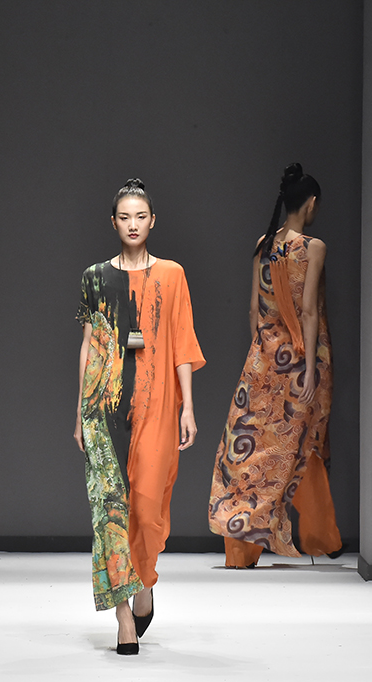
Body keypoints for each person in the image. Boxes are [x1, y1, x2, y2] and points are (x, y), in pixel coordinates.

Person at [74, 178, 205, 655]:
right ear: (113, 222)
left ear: (153, 221)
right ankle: (124, 616)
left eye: (141, 216)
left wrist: (188, 406)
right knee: (110, 513)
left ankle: (145, 581)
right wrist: (79, 412)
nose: (133, 224)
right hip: (102, 406)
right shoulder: (94, 277)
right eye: (125, 217)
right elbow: (89, 345)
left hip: (156, 404)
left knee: (148, 510)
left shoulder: (172, 274)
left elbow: (183, 342)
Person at [208, 163, 342, 568]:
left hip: (263, 358)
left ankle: (241, 547)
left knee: (251, 447)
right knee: (302, 443)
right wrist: (310, 368)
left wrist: (261, 356)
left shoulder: (263, 244)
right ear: (312, 203)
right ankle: (320, 536)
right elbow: (308, 311)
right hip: (301, 361)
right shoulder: (313, 248)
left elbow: (254, 310)